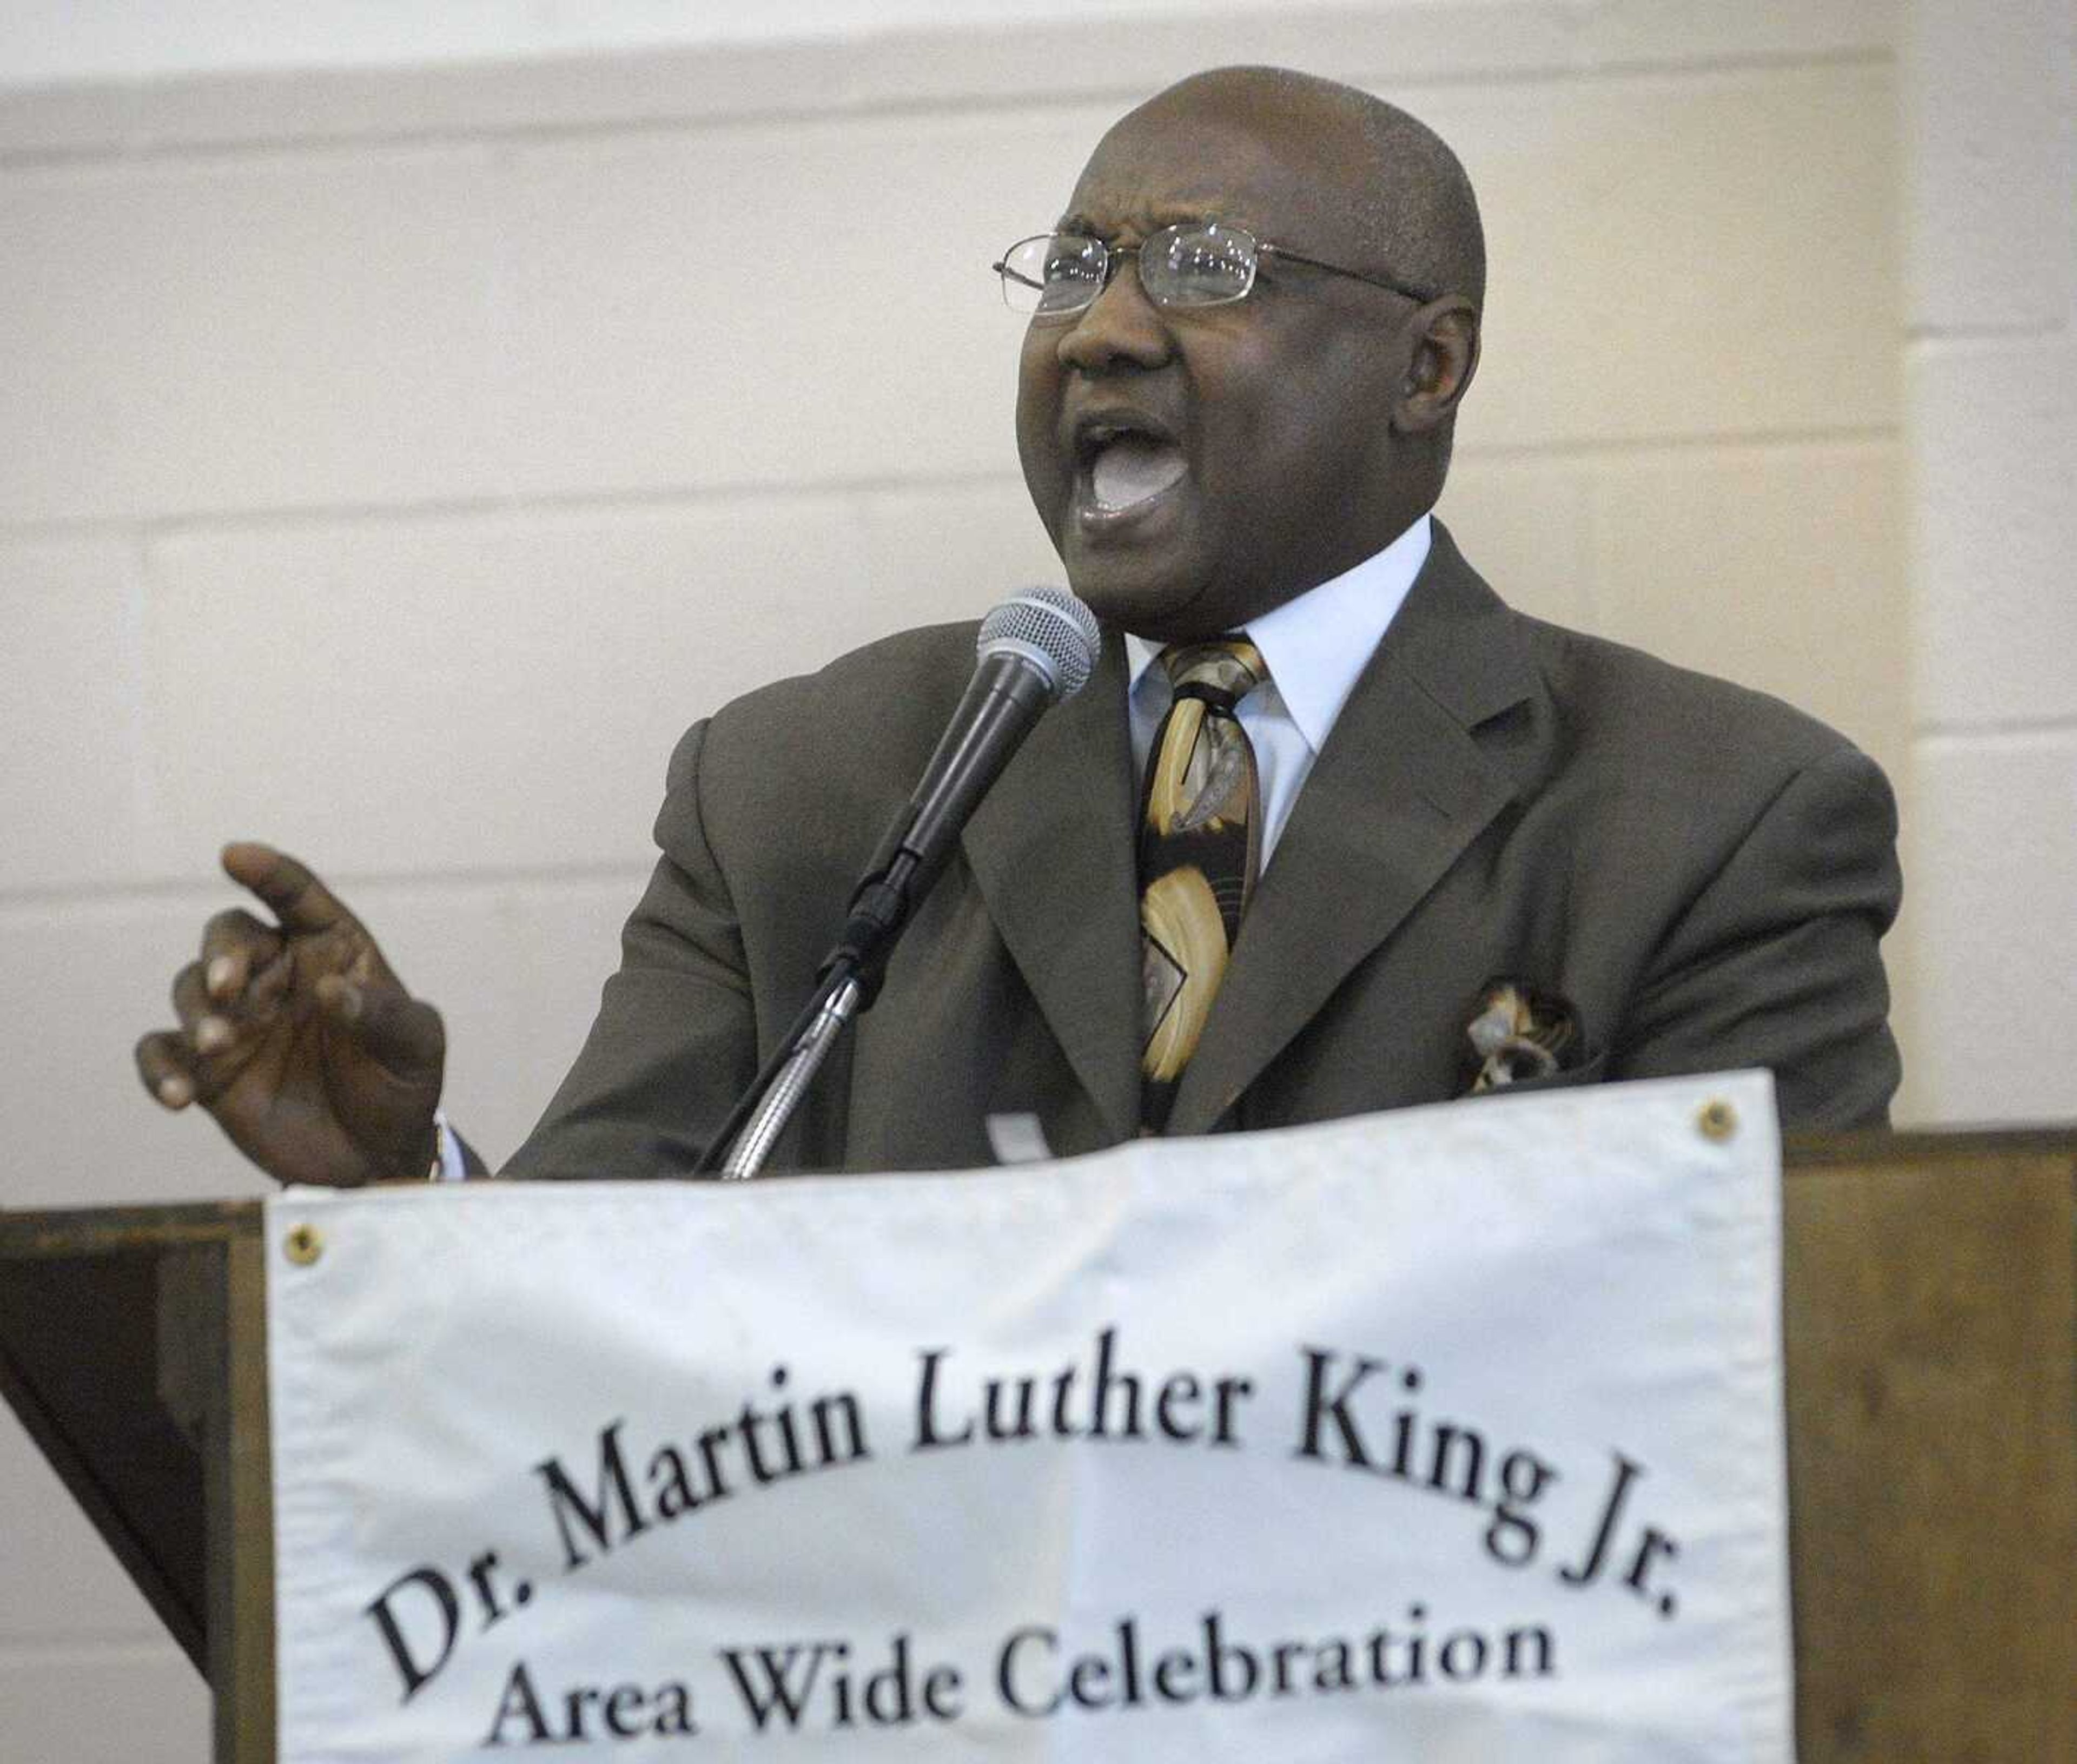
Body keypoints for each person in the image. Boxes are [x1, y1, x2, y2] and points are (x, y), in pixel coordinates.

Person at [133, 67, 1902, 1184]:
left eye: (1201, 274)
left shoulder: (1719, 814)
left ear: (1425, 369)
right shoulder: (794, 787)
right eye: (1070, 270)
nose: (1098, 334)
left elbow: (1771, 1368)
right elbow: (608, 1286)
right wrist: (399, 1183)